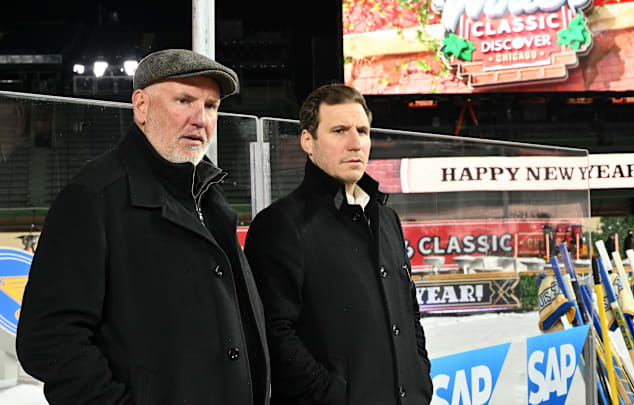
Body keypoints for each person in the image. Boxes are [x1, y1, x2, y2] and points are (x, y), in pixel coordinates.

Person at [17, 49, 269, 404]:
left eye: (211, 106)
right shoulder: (93, 196)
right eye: (184, 100)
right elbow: (48, 339)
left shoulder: (210, 198)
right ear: (141, 107)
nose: (201, 119)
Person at [243, 84, 432, 405]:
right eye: (339, 130)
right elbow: (274, 333)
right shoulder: (279, 224)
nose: (355, 143)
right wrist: (331, 396)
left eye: (363, 130)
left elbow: (409, 312)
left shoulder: (387, 219)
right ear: (308, 141)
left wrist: (419, 377)